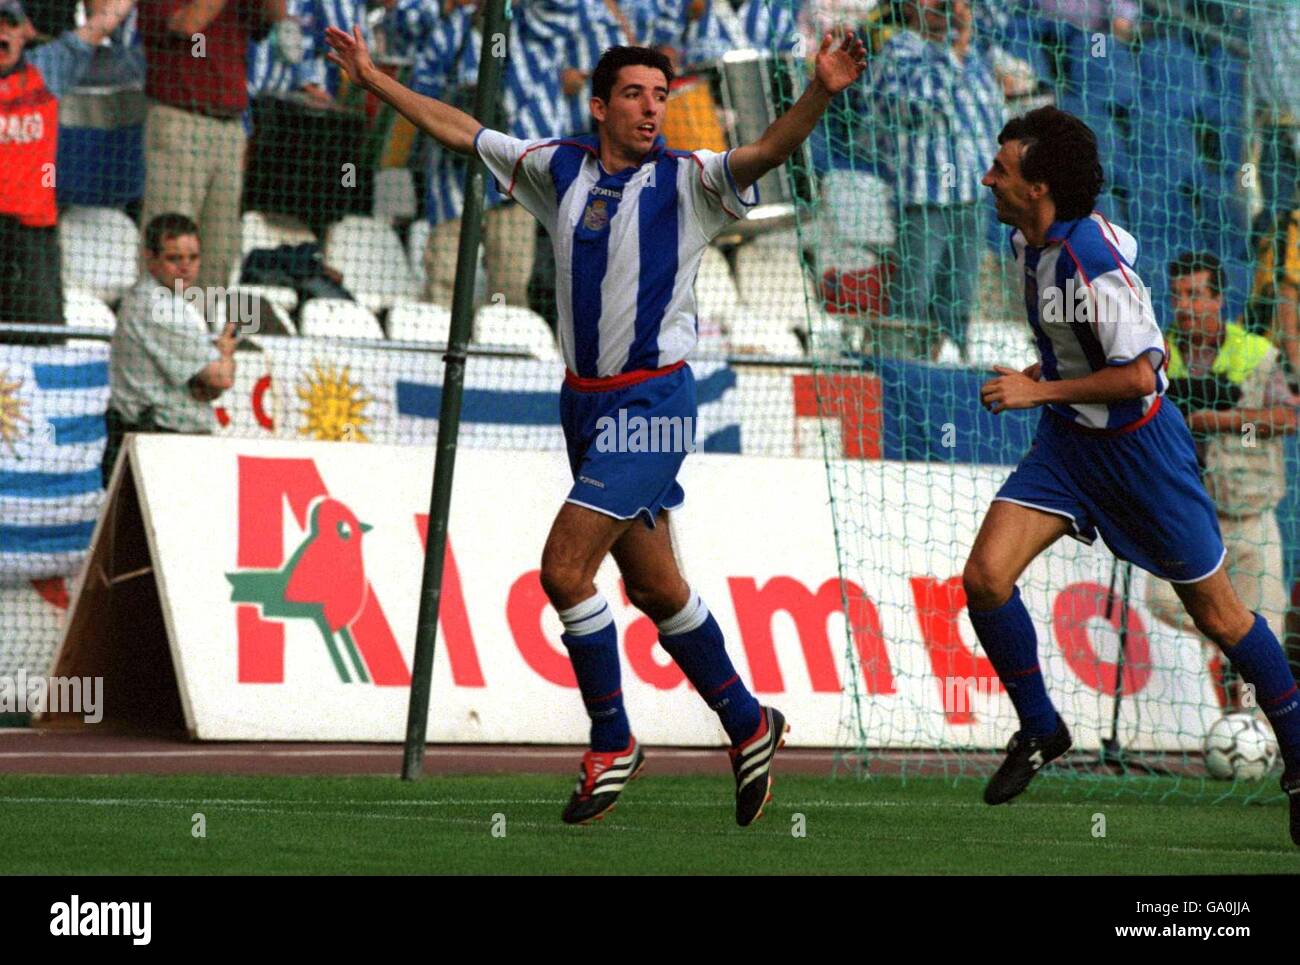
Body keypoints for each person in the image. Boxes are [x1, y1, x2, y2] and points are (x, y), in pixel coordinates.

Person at [326, 25, 865, 825]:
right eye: (638, 95)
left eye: (663, 96)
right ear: (602, 105)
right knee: (653, 585)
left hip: (652, 405)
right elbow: (458, 127)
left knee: (564, 569)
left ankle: (612, 737)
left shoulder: (690, 182)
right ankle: (750, 722)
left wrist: (819, 89)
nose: (653, 109)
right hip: (582, 401)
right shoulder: (558, 168)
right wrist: (373, 79)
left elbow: (766, 152)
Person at [967, 106, 1300, 846]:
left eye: (1002, 169)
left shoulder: (1091, 260)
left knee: (1222, 616)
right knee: (985, 579)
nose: (989, 177)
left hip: (1142, 453)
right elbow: (1082, 340)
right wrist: (1042, 377)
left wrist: (1038, 389)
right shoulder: (1030, 240)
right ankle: (1042, 728)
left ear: (1041, 186)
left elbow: (1145, 375)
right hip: (1068, 448)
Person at [1146, 251, 1298, 705]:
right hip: (1191, 514)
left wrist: (1220, 421)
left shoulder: (1254, 353)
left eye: (1195, 295)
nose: (1185, 306)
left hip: (1251, 513)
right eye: (1177, 296)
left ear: (1218, 300)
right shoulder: (1158, 355)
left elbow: (1288, 418)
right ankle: (1233, 644)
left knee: (1266, 632)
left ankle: (1263, 741)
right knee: (1163, 600)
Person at [865, 0, 1004, 361]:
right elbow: (917, 105)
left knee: (960, 297)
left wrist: (964, 32)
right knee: (914, 295)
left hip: (971, 196)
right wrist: (955, 53)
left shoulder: (974, 52)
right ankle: (898, 369)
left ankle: (951, 368)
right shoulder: (899, 50)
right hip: (924, 198)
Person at [136, 0, 286, 304]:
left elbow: (276, 16)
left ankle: (201, 334)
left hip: (230, 126)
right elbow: (188, 24)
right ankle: (158, 323)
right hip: (180, 120)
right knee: (171, 240)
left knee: (219, 249)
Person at [0, 0, 137, 329]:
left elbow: (103, 22)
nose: (2, 31)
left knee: (41, 337)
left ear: (27, 32)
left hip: (32, 233)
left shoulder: (49, 67)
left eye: (11, 24)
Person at [104, 213, 236, 485]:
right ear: (150, 258)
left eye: (193, 258)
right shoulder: (159, 306)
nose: (186, 267)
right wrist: (225, 353)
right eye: (174, 258)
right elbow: (220, 377)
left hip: (165, 444)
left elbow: (205, 387)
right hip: (155, 448)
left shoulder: (172, 302)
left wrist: (211, 376)